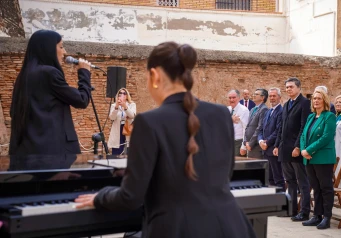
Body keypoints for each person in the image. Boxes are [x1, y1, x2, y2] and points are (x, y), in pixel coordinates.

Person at [74, 42, 256, 238]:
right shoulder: (221, 114)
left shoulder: (148, 122)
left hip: (176, 230)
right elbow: (225, 176)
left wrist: (101, 196)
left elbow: (130, 197)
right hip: (231, 226)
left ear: (155, 75)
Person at [9, 30, 92, 156]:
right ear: (48, 49)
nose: (64, 52)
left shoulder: (23, 76)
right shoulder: (49, 73)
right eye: (61, 47)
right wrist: (84, 73)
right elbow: (81, 100)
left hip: (28, 148)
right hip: (51, 151)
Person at [274, 77, 311, 221]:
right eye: (287, 87)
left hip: (296, 150)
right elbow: (281, 127)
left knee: (302, 182)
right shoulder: (286, 104)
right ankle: (292, 209)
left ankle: (305, 212)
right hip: (284, 149)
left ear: (298, 88)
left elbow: (304, 127)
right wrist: (277, 144)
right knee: (289, 181)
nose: (288, 89)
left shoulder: (304, 103)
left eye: (291, 87)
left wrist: (297, 146)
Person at [300, 89, 336, 230]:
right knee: (315, 188)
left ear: (324, 101)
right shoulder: (311, 117)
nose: (315, 101)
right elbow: (303, 135)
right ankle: (317, 216)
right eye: (314, 98)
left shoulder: (329, 116)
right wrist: (304, 150)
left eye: (319, 98)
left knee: (326, 188)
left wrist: (309, 150)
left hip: (323, 158)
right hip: (309, 158)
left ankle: (327, 217)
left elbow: (326, 137)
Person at [258, 87, 284, 188]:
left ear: (279, 97)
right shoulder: (268, 112)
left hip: (274, 149)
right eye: (270, 96)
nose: (272, 98)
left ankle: (282, 202)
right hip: (265, 150)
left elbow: (278, 131)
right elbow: (260, 129)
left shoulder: (281, 112)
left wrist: (267, 143)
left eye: (274, 96)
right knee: (269, 179)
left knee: (278, 178)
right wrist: (260, 141)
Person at [108, 88, 137, 155]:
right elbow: (112, 118)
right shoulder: (114, 105)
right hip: (118, 129)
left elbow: (132, 115)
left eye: (124, 93)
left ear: (127, 96)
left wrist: (125, 106)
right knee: (117, 150)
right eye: (120, 93)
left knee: (128, 148)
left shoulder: (132, 104)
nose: (122, 94)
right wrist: (116, 107)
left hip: (128, 129)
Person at [241, 88, 268, 158]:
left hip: (256, 146)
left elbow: (259, 128)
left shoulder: (264, 109)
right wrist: (245, 142)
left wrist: (250, 144)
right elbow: (248, 126)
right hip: (248, 145)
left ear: (262, 97)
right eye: (254, 94)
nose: (253, 95)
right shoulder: (253, 109)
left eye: (256, 94)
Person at [227, 89, 249, 156]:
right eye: (230, 98)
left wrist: (243, 146)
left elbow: (246, 128)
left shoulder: (244, 110)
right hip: (228, 142)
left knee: (237, 165)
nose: (231, 100)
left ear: (239, 98)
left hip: (238, 143)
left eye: (234, 98)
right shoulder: (228, 109)